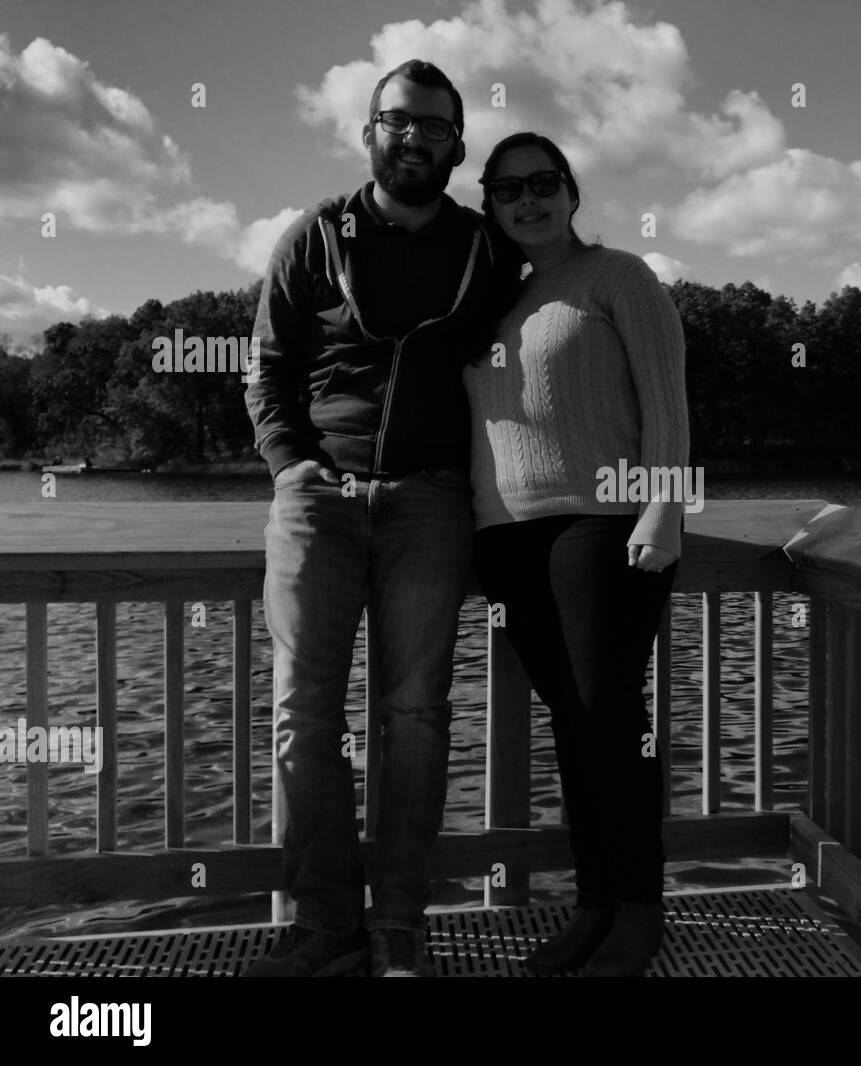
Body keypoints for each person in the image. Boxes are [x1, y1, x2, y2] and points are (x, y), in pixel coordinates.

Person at [242, 59, 516, 977]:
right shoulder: (315, 236)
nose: (415, 139)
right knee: (301, 718)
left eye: (435, 127)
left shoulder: (487, 249)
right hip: (318, 503)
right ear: (369, 132)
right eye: (399, 121)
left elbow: (546, 336)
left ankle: (399, 918)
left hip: (431, 503)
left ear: (456, 146)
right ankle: (325, 926)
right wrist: (294, 469)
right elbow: (268, 371)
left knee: (416, 713)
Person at [464, 132, 691, 977]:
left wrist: (664, 508)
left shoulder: (620, 277)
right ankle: (593, 906)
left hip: (603, 521)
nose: (528, 199)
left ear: (572, 190)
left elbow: (666, 402)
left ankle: (638, 914)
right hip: (506, 539)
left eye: (543, 182)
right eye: (508, 188)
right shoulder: (496, 300)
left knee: (609, 719)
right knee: (574, 727)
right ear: (489, 204)